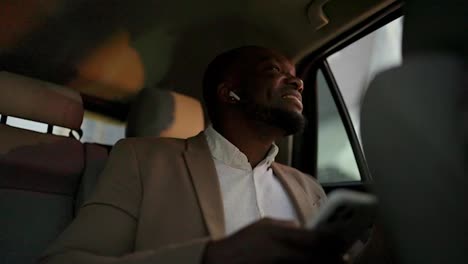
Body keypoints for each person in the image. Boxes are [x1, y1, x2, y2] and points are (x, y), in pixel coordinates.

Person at [40, 46, 350, 264]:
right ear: (229, 93)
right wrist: (209, 256)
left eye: (295, 75)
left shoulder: (309, 188)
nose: (297, 81)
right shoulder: (142, 160)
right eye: (273, 70)